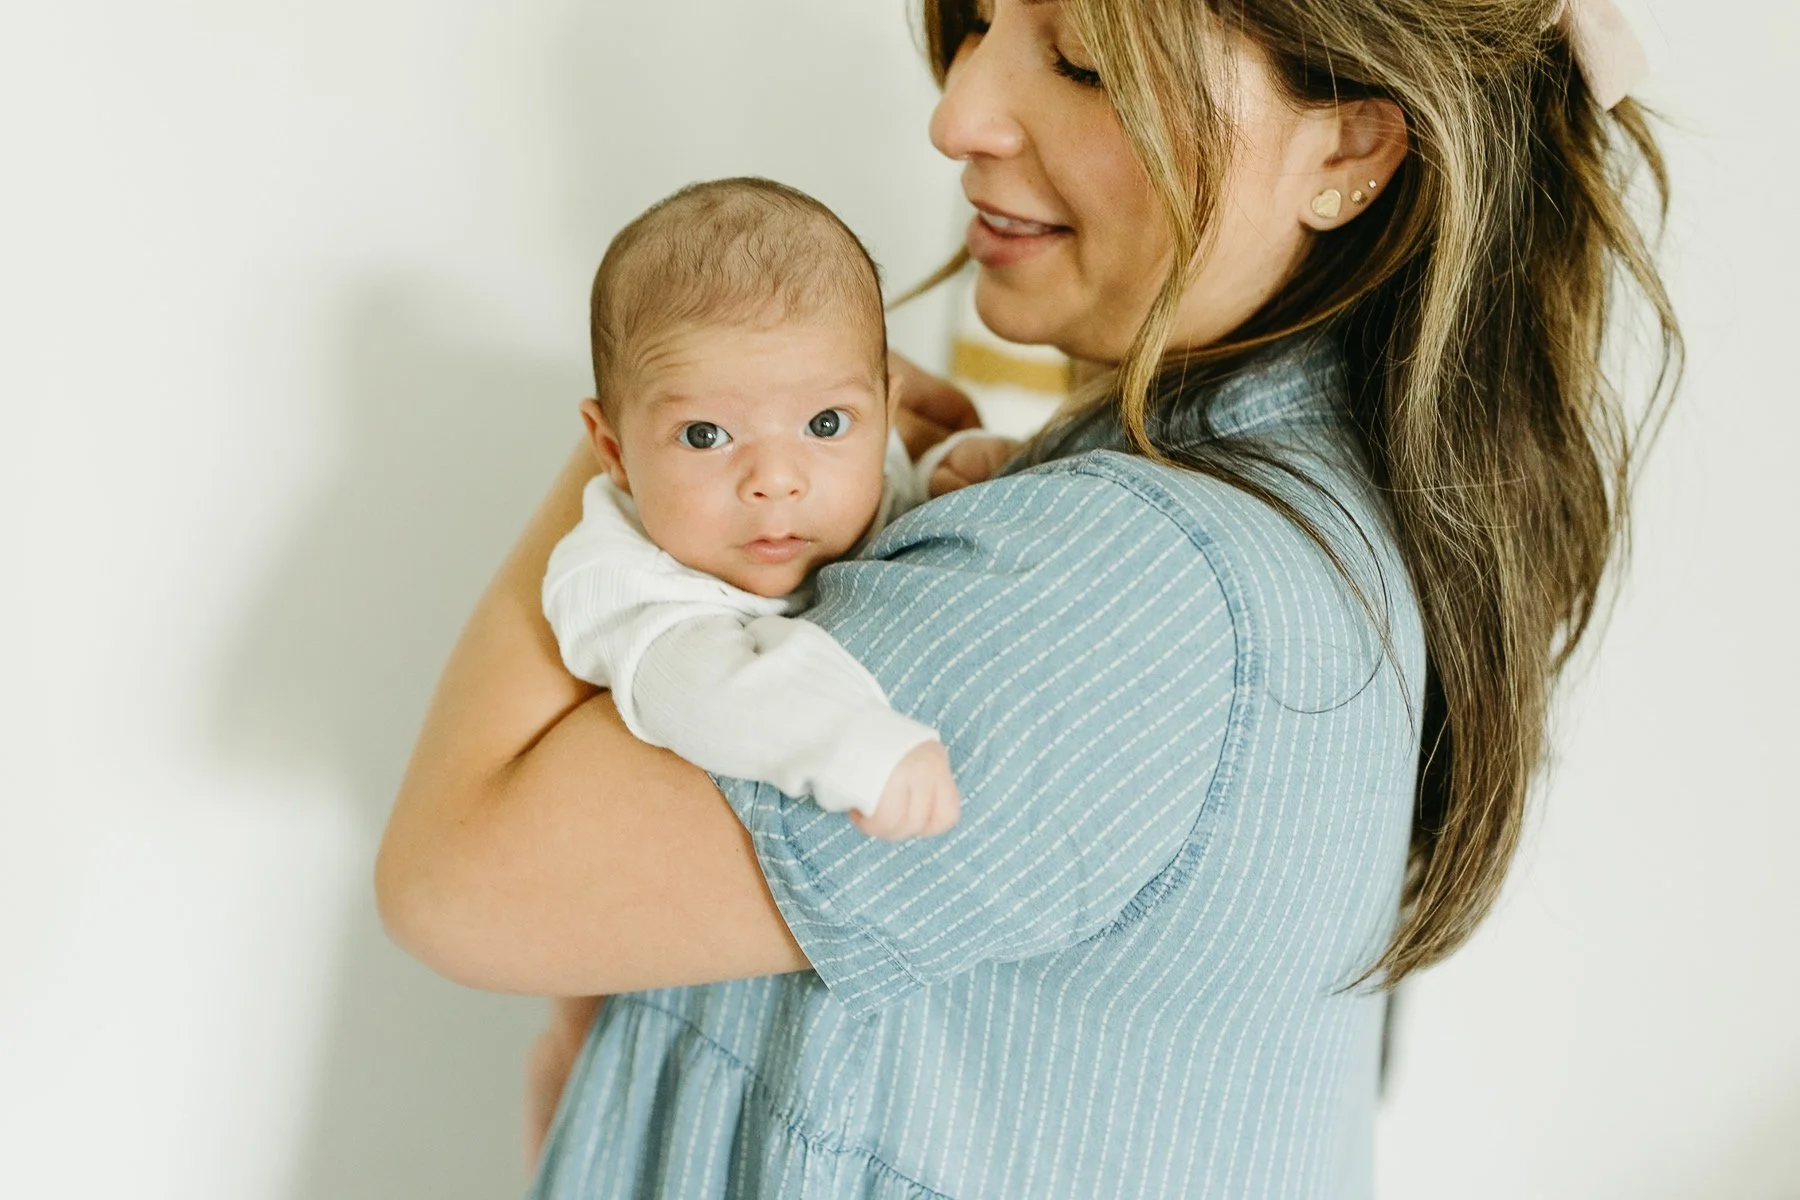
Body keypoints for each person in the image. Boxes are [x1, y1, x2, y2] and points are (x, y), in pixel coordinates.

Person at [375, 0, 1681, 1196]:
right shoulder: (1295, 506)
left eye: (1086, 63)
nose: (958, 114)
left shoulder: (1126, 584)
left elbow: (455, 879)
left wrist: (675, 428)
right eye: (980, 18)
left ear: (1349, 144)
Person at [543, 176, 984, 841]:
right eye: (704, 436)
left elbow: (892, 481)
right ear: (613, 449)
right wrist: (860, 748)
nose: (776, 481)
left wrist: (942, 471)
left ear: (887, 414)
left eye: (828, 424)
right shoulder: (620, 582)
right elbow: (710, 691)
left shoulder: (856, 473)